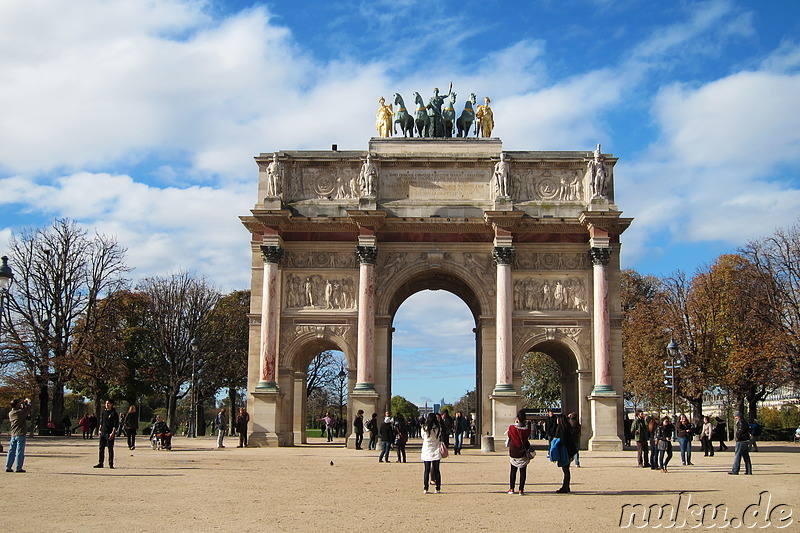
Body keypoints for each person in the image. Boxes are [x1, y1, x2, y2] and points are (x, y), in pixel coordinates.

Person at [549, 413, 578, 493]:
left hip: (566, 451)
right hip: (570, 451)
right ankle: (566, 486)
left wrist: (556, 442)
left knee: (565, 470)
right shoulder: (567, 427)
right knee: (566, 470)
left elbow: (562, 440)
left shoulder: (562, 429)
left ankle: (565, 487)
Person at [506, 410, 532, 495]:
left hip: (514, 451)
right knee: (523, 471)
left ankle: (511, 488)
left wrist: (515, 423)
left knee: (513, 471)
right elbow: (528, 433)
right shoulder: (527, 429)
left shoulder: (512, 428)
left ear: (517, 418)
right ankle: (521, 489)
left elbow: (509, 435)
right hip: (523, 451)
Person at [6, 398, 33, 473]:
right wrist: (28, 401)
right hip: (20, 433)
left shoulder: (11, 413)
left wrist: (22, 405)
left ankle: (8, 466)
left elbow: (22, 409)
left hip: (13, 434)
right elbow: (29, 407)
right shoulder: (20, 412)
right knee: (20, 451)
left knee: (11, 450)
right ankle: (18, 467)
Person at [420, 413, 443, 494]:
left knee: (426, 470)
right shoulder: (438, 428)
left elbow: (423, 436)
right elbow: (439, 436)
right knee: (437, 470)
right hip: (436, 449)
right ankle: (438, 488)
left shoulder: (424, 428)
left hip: (427, 450)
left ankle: (426, 488)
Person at [94, 400, 119, 469]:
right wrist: (99, 430)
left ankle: (111, 463)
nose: (107, 404)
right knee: (101, 448)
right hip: (103, 432)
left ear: (112, 404)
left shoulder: (114, 413)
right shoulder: (104, 412)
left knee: (110, 449)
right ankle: (100, 463)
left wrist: (113, 433)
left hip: (109, 433)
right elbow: (102, 422)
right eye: (106, 403)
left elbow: (115, 425)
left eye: (108, 403)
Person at [729, 411, 752, 475]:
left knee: (737, 456)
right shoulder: (744, 421)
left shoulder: (741, 422)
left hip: (741, 440)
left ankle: (735, 470)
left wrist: (737, 437)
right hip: (745, 440)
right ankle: (749, 470)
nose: (735, 418)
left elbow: (740, 430)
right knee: (746, 456)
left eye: (735, 416)